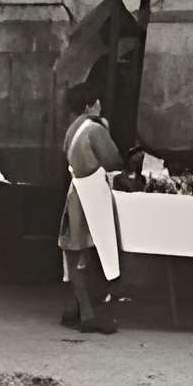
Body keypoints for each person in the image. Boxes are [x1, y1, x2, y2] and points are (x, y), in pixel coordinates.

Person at [56, 82, 123, 334]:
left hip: (76, 192)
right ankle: (89, 313)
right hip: (91, 195)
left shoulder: (72, 130)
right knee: (94, 255)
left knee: (74, 255)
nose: (100, 105)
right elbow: (113, 159)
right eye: (97, 102)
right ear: (89, 105)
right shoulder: (94, 129)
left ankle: (73, 307)